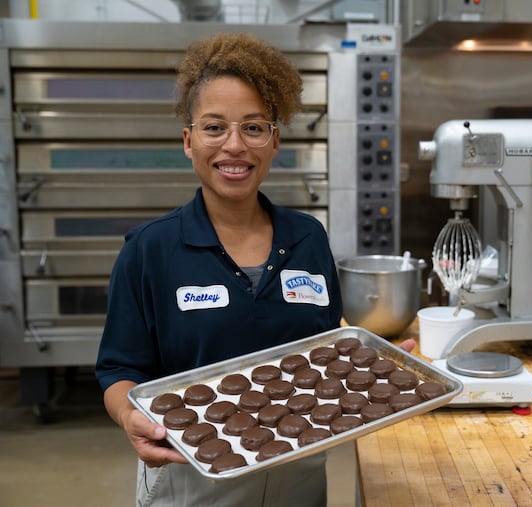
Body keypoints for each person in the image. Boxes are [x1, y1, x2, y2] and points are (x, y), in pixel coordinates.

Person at [94, 32, 345, 506]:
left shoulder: (307, 237)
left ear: (275, 141)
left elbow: (325, 345)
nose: (234, 145)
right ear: (189, 142)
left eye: (253, 128)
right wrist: (131, 418)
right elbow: (119, 368)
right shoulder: (150, 250)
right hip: (195, 481)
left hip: (301, 474)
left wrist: (372, 363)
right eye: (214, 127)